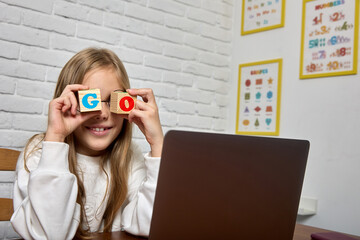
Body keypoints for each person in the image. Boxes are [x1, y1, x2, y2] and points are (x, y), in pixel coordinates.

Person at [10, 48, 164, 239]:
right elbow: (49, 235)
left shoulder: (129, 156)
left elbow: (151, 225)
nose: (102, 113)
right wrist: (56, 138)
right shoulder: (40, 152)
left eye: (112, 100)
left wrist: (157, 145)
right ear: (67, 102)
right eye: (90, 100)